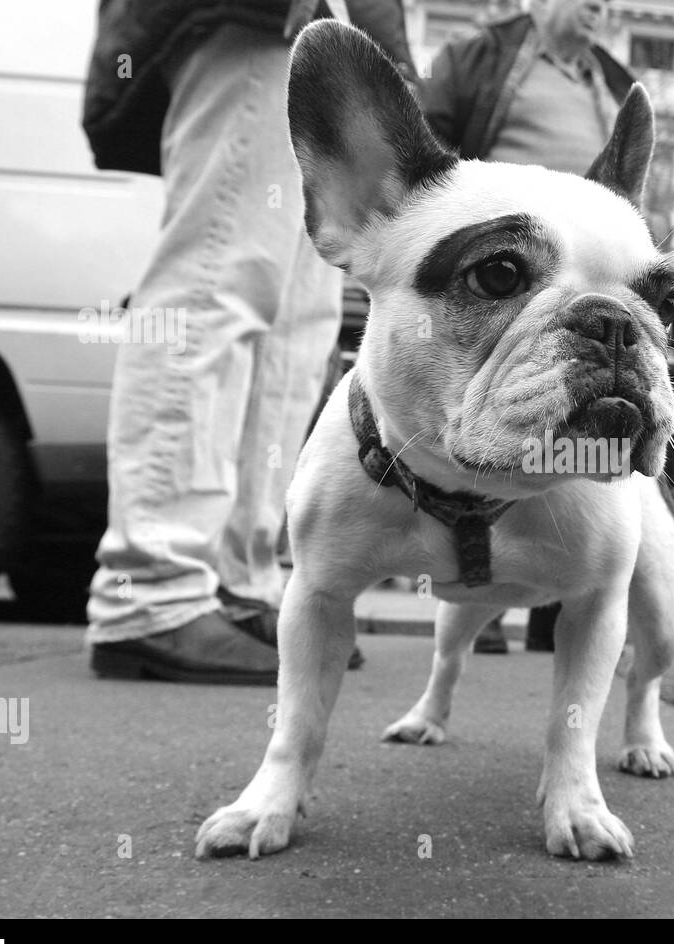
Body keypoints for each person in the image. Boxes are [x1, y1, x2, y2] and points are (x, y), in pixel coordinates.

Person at [81, 0, 415, 684]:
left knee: (296, 329)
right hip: (252, 20)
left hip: (326, 39)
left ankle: (240, 579)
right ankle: (151, 586)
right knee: (211, 291)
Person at [420, 0, 633, 653]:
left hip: (591, 272)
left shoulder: (614, 81)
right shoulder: (481, 53)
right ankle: (476, 584)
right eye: (592, 1)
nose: (603, 11)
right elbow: (425, 153)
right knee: (494, 431)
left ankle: (557, 598)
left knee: (574, 439)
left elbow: (630, 188)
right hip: (508, 275)